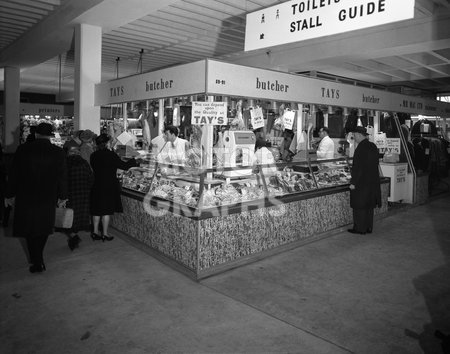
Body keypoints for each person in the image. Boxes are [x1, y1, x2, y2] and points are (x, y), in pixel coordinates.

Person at [5, 122, 68, 273]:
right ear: (50, 135)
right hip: (47, 195)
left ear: (36, 134)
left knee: (28, 229)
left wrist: (8, 194)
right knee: (44, 227)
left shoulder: (23, 149)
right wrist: (63, 196)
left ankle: (36, 259)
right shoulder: (58, 152)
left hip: (26, 195)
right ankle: (38, 258)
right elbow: (62, 177)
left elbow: (14, 174)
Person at [90, 133, 138, 241]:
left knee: (97, 210)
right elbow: (124, 166)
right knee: (106, 210)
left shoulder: (93, 155)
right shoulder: (111, 155)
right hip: (108, 185)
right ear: (107, 143)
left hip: (96, 184)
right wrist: (134, 160)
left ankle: (95, 232)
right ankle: (105, 234)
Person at [348, 126, 381, 235]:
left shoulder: (360, 148)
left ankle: (359, 229)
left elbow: (358, 168)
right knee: (369, 206)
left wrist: (353, 182)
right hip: (372, 182)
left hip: (362, 183)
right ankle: (368, 227)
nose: (354, 137)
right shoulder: (372, 146)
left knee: (359, 206)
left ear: (358, 134)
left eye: (354, 135)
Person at [65, 146, 94, 250]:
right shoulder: (84, 163)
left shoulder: (65, 163)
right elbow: (91, 178)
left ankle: (72, 235)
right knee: (80, 214)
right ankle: (75, 232)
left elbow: (61, 179)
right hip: (83, 193)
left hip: (70, 194)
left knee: (68, 216)